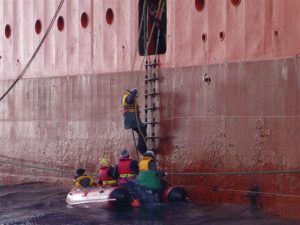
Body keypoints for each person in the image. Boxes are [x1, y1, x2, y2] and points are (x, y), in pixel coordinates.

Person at [121, 88, 147, 155]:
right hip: (132, 118)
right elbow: (130, 100)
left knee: (141, 130)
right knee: (142, 129)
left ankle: (141, 146)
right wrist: (134, 93)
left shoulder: (125, 97)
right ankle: (141, 147)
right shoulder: (128, 97)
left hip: (130, 119)